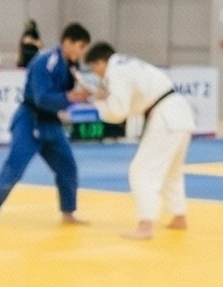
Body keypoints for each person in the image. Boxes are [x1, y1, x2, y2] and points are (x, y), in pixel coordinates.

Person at [0, 21, 88, 226]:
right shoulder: (45, 61)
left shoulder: (71, 65)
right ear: (68, 42)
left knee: (67, 167)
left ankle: (68, 212)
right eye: (81, 47)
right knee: (15, 167)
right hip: (30, 119)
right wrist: (71, 97)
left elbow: (68, 94)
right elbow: (42, 98)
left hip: (50, 122)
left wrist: (77, 97)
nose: (81, 53)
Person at [83, 43, 195, 240]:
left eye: (94, 68)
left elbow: (118, 113)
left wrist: (99, 101)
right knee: (172, 171)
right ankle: (179, 216)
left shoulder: (115, 71)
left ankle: (146, 226)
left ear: (101, 62)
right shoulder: (128, 64)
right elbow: (133, 104)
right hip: (180, 113)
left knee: (141, 170)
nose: (95, 73)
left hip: (166, 116)